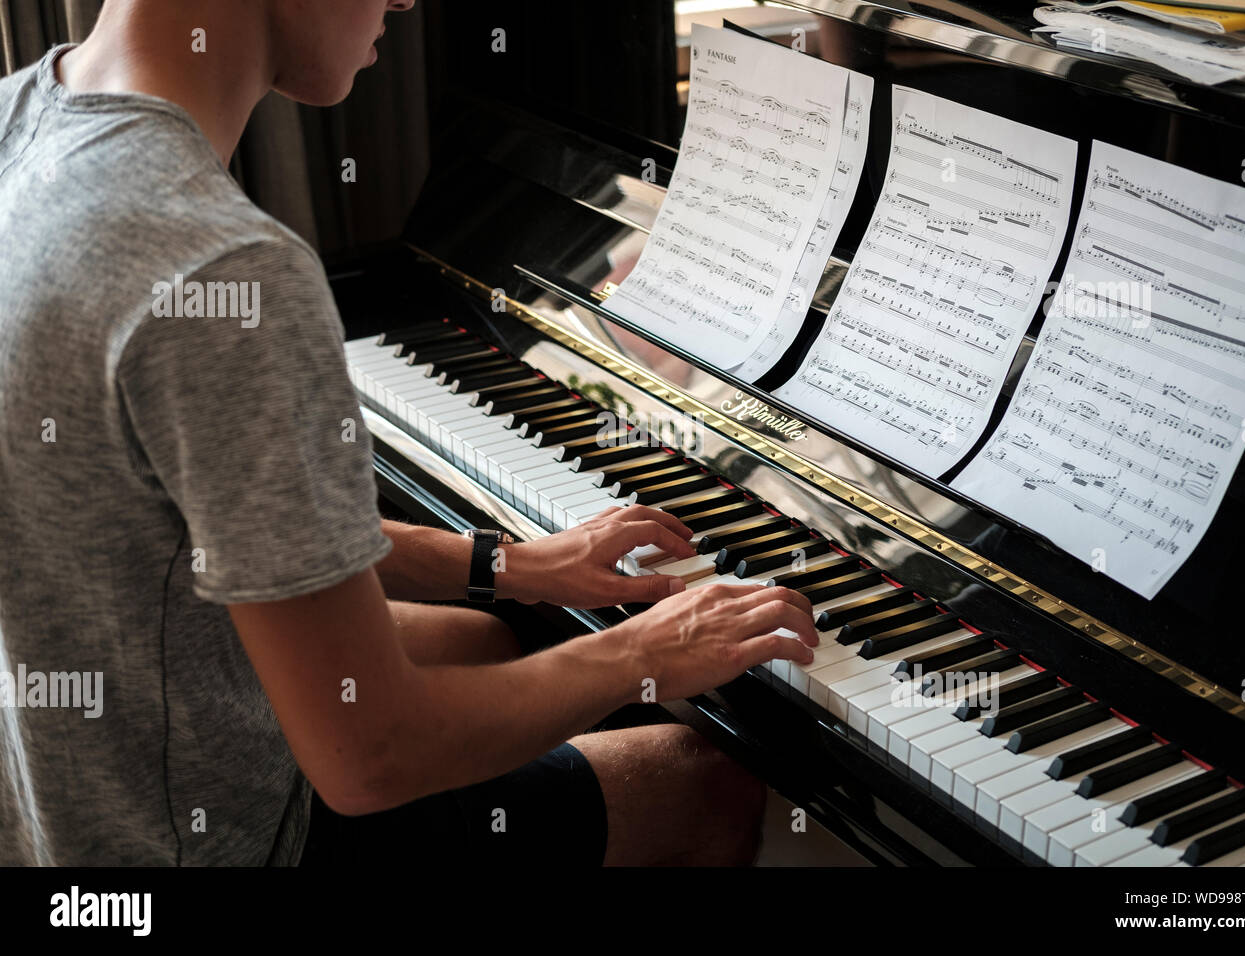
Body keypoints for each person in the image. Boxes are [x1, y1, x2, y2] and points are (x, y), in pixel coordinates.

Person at [0, 0, 818, 867]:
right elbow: (371, 758)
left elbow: (210, 522)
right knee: (701, 781)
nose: (406, 1)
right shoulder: (223, 268)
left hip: (51, 800)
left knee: (486, 636)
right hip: (215, 845)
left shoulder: (21, 114)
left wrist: (504, 564)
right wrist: (640, 654)